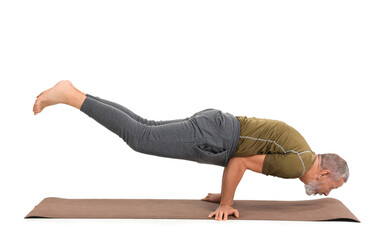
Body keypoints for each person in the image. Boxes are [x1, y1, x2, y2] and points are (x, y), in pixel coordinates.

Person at [33, 80, 349, 221]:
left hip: (217, 124)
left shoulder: (300, 150)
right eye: (330, 187)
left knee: (144, 124)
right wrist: (227, 203)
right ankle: (71, 97)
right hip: (216, 135)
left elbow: (245, 156)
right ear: (324, 173)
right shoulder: (297, 165)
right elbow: (239, 161)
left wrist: (223, 193)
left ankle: (75, 93)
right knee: (141, 137)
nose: (325, 193)